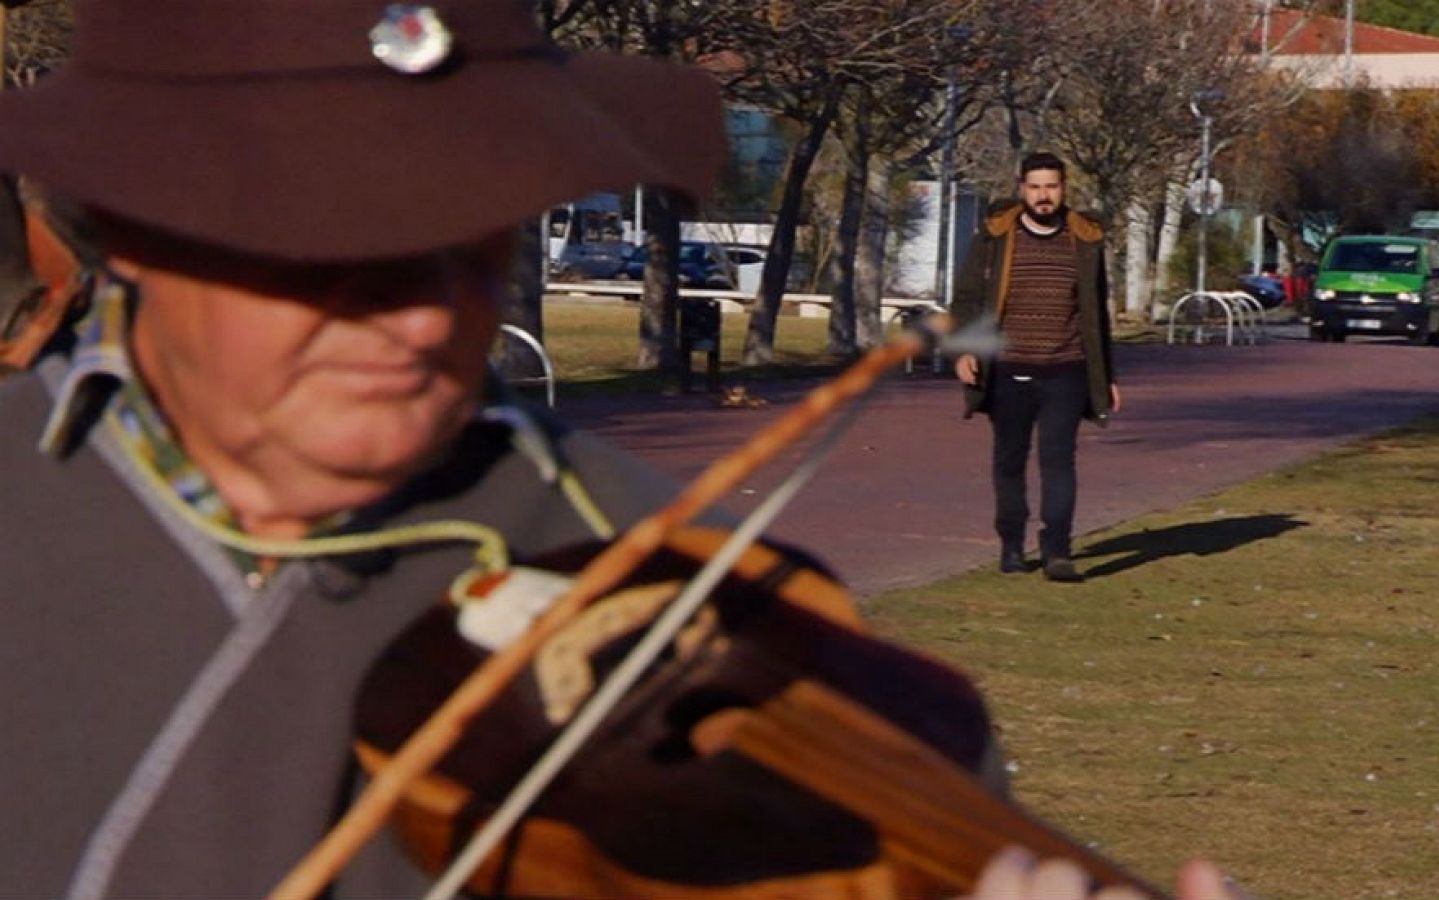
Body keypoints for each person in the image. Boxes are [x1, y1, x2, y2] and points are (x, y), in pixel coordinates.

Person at [0, 3, 1224, 897]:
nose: (425, 314)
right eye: (339, 245)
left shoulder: (658, 570)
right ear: (134, 228)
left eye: (471, 238)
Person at [952, 151, 1121, 583]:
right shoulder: (994, 237)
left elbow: (1096, 313)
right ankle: (1011, 542)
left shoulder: (1083, 239)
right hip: (1008, 370)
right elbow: (967, 298)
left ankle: (1058, 550)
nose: (1044, 196)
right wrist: (965, 351)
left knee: (1059, 460)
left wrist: (1108, 377)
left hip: (1066, 369)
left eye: (1052, 187)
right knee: (1009, 459)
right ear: (1021, 188)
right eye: (1036, 187)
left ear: (1064, 188)